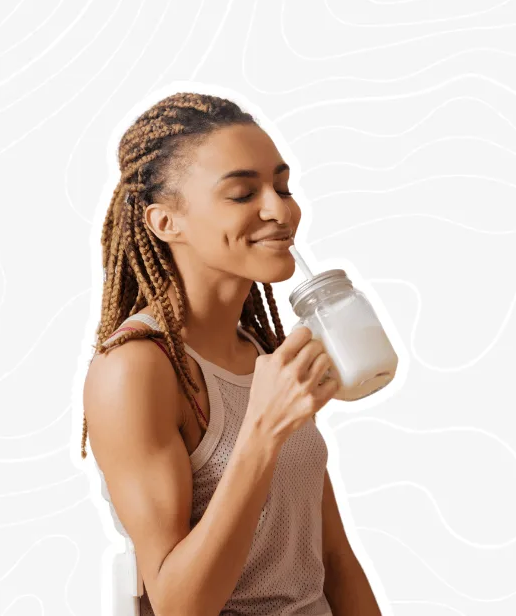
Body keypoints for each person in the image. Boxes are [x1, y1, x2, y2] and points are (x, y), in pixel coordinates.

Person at [80, 92, 382, 615]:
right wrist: (262, 431)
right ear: (163, 222)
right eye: (243, 193)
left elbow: (333, 558)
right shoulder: (135, 369)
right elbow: (178, 607)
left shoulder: (263, 351)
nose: (280, 210)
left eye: (282, 186)